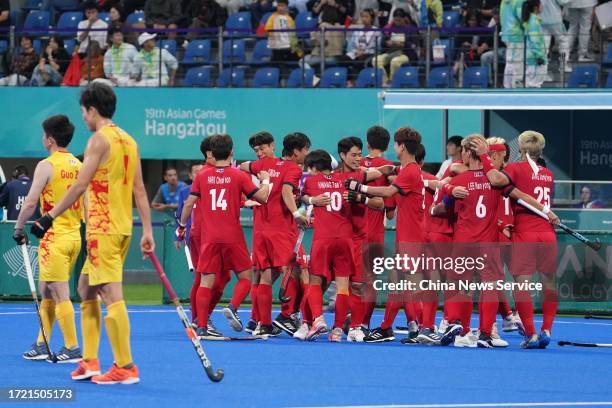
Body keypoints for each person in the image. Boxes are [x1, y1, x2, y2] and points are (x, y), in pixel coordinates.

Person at [31, 83, 155, 383]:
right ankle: (89, 361)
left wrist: (49, 216)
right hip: (122, 227)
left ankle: (125, 366)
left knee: (111, 294)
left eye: (83, 111)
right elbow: (140, 189)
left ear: (92, 110)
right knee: (86, 289)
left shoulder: (99, 140)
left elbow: (79, 185)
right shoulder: (129, 139)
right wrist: (147, 229)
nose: (82, 118)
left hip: (103, 227)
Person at [471, 130, 560, 349]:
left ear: (520, 149)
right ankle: (546, 329)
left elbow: (494, 178)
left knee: (522, 286)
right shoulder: (548, 175)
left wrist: (484, 156)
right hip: (547, 234)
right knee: (549, 284)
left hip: (526, 232)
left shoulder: (515, 168)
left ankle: (531, 334)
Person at [178, 134, 271, 338]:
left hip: (209, 238)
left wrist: (181, 225)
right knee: (246, 277)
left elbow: (188, 204)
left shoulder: (202, 175)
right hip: (233, 236)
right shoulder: (238, 175)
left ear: (212, 152)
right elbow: (263, 197)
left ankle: (201, 326)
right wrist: (266, 181)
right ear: (231, 152)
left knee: (205, 281)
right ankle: (233, 307)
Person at [13, 115, 84, 363]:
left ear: (50, 140)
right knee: (47, 291)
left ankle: (72, 346)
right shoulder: (78, 164)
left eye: (44, 136)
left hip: (55, 237)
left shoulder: (47, 165)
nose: (42, 139)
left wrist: (19, 227)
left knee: (58, 292)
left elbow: (31, 201)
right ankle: (42, 343)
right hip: (74, 236)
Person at [240, 131, 307, 336]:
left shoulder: (262, 165)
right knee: (302, 270)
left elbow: (242, 166)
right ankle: (290, 316)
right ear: (297, 151)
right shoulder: (292, 168)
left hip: (261, 230)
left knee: (264, 274)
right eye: (306, 150)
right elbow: (287, 192)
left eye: (261, 148)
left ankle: (261, 322)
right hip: (282, 230)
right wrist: (296, 213)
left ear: (273, 145)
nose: (259, 152)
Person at [301, 149, 356, 341]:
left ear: (314, 167)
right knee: (342, 287)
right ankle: (338, 331)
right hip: (345, 238)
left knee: (315, 282)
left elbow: (301, 197)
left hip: (323, 238)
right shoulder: (345, 180)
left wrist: (310, 199)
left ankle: (318, 319)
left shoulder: (311, 181)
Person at [334, 137, 384, 342]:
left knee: (359, 285)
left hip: (360, 239)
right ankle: (310, 323)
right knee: (316, 280)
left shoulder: (364, 176)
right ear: (342, 155)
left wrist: (360, 197)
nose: (358, 158)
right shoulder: (332, 177)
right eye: (353, 155)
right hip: (336, 238)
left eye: (359, 154)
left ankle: (357, 325)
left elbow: (381, 204)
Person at [358, 125, 393, 330]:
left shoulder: (355, 163)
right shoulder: (389, 167)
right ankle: (363, 324)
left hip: (353, 230)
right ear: (387, 145)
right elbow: (390, 212)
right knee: (370, 280)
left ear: (368, 143)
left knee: (348, 279)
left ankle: (350, 321)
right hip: (374, 232)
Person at [371, 8, 419, 85]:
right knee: (375, 60)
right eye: (396, 20)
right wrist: (387, 43)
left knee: (395, 61)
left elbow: (414, 45)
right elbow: (382, 43)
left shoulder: (411, 29)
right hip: (391, 52)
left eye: (399, 20)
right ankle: (385, 81)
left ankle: (392, 82)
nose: (397, 22)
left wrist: (404, 44)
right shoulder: (390, 28)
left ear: (404, 19)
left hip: (405, 54)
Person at [337, 9, 381, 80]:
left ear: (372, 18)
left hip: (369, 54)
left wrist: (364, 52)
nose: (364, 19)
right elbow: (351, 45)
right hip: (356, 52)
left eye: (366, 17)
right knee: (342, 60)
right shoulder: (357, 30)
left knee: (359, 61)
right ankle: (348, 80)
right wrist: (355, 51)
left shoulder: (377, 31)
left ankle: (359, 82)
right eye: (362, 16)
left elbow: (377, 48)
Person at [265, 0, 302, 66]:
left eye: (282, 6)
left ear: (286, 7)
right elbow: (267, 31)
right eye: (279, 5)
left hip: (288, 45)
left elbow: (292, 35)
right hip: (277, 44)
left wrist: (293, 45)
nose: (280, 8)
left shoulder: (289, 19)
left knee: (298, 51)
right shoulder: (272, 17)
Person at [540, 0, 570, 74]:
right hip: (555, 19)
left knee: (544, 46)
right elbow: (564, 1)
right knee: (563, 41)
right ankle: (563, 66)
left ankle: (542, 70)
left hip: (541, 20)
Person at [500, 0, 525, 88]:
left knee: (510, 61)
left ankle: (508, 86)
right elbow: (522, 18)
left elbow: (501, 17)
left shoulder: (504, 1)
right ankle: (516, 86)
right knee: (517, 61)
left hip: (507, 33)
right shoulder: (519, 1)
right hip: (516, 35)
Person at [522, 0, 546, 88]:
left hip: (532, 57)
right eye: (541, 4)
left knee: (530, 84)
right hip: (535, 59)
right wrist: (539, 56)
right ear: (536, 8)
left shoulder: (531, 20)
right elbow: (534, 40)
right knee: (534, 85)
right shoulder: (533, 22)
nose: (542, 6)